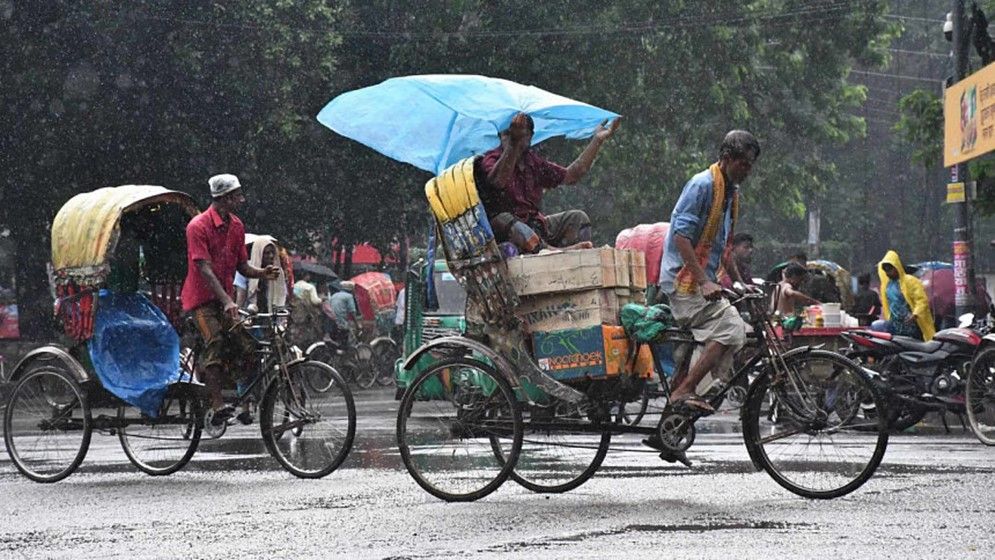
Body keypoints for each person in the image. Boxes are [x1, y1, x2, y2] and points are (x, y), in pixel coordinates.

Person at [647, 130, 760, 464]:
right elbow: (681, 237)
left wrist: (741, 284)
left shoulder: (730, 193)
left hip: (701, 281)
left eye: (750, 165)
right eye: (743, 163)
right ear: (727, 157)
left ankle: (671, 427)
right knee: (731, 329)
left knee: (716, 337)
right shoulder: (703, 185)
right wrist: (703, 281)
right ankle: (686, 390)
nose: (746, 170)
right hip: (682, 283)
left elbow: (723, 250)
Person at [181, 174, 279, 427]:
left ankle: (240, 397)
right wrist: (227, 301)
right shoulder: (198, 226)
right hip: (202, 302)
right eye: (237, 196)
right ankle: (216, 404)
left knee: (248, 345)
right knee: (214, 341)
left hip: (225, 301)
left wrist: (262, 273)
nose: (241, 200)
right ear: (223, 198)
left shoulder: (236, 226)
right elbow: (204, 268)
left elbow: (242, 266)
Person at [476, 112, 619, 253]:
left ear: (530, 137)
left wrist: (597, 140)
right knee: (504, 220)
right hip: (509, 232)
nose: (514, 137)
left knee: (577, 218)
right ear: (501, 137)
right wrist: (513, 143)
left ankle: (584, 255)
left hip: (535, 227)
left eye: (521, 133)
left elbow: (572, 175)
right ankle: (554, 252)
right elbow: (498, 181)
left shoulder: (533, 162)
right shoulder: (492, 158)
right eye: (509, 134)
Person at [872, 250, 935, 341]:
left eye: (890, 269)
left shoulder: (910, 281)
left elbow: (921, 300)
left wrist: (915, 314)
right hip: (895, 326)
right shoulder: (886, 286)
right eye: (885, 269)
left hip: (912, 325)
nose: (887, 272)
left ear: (896, 266)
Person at [234, 236, 288, 313]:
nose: (271, 256)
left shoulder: (277, 272)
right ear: (258, 253)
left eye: (273, 252)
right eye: (267, 253)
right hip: (249, 315)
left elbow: (283, 295)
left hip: (272, 316)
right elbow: (240, 298)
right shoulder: (246, 270)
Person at [330, 281, 361, 350]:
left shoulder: (334, 295)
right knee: (348, 338)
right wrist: (357, 324)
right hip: (342, 323)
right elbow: (352, 312)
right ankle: (346, 352)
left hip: (332, 322)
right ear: (351, 290)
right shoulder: (349, 296)